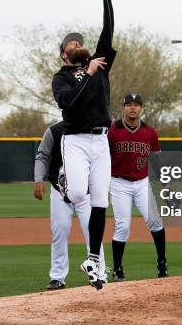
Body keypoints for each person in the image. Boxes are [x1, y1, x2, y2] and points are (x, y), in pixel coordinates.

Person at [51, 0, 115, 290]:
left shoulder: (99, 63)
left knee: (100, 202)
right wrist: (87, 73)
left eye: (79, 41)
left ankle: (92, 259)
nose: (76, 44)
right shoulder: (62, 77)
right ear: (64, 54)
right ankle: (67, 182)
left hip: (101, 141)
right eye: (70, 43)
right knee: (77, 195)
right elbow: (67, 103)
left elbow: (108, 29)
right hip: (75, 139)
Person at [33, 121, 107, 290]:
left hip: (87, 193)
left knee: (92, 233)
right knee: (59, 232)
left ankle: (100, 274)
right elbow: (42, 156)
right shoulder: (54, 131)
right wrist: (38, 179)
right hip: (59, 190)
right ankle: (57, 277)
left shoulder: (91, 130)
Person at [108, 94, 168, 281]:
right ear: (123, 108)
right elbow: (102, 157)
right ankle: (118, 269)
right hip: (118, 183)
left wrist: (167, 184)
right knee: (123, 226)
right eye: (129, 105)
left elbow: (157, 161)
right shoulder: (113, 130)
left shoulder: (150, 132)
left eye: (136, 105)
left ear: (141, 108)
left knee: (156, 222)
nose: (132, 108)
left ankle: (162, 264)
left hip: (142, 183)